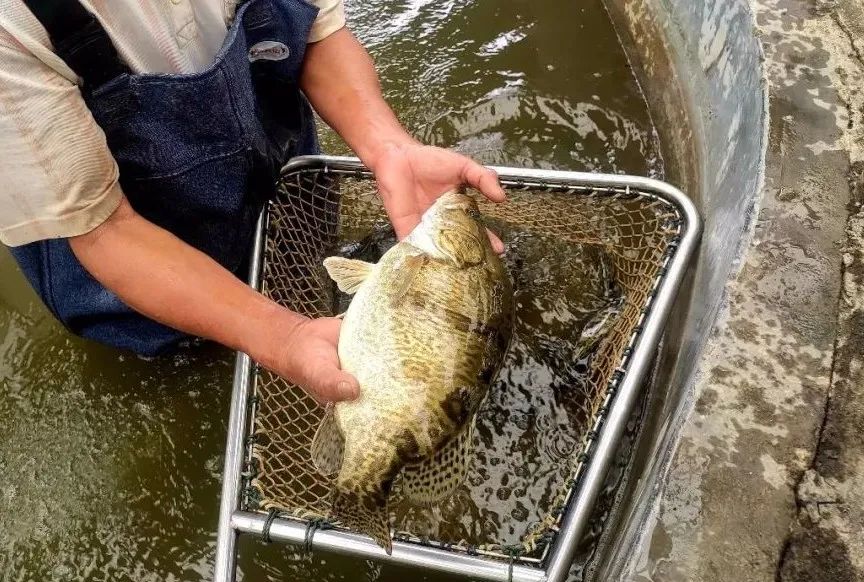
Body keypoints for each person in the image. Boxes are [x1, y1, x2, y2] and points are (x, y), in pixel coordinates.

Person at [0, 0, 506, 404]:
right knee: (187, 364)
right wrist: (283, 339)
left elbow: (316, 28)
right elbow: (104, 229)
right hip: (129, 264)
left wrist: (388, 145)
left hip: (278, 189)